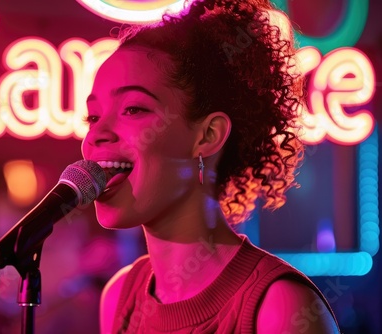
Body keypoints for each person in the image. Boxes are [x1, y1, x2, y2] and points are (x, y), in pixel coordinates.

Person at [81, 0, 340, 332]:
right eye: (92, 116)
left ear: (208, 135)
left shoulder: (280, 306)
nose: (96, 135)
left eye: (133, 109)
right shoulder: (119, 296)